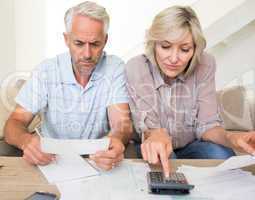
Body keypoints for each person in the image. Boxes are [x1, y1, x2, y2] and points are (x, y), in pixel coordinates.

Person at [125, 6, 255, 177]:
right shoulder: (137, 67)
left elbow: (207, 126)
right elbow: (150, 128)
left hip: (192, 145)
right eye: (165, 47)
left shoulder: (206, 64)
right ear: (154, 44)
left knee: (222, 155)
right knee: (163, 163)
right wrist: (155, 135)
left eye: (185, 49)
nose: (173, 59)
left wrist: (232, 138)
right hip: (154, 144)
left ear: (195, 49)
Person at [4, 1, 133, 170]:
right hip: (50, 160)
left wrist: (116, 140)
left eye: (95, 44)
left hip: (97, 160)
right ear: (66, 39)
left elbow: (121, 125)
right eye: (79, 43)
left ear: (105, 40)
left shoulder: (115, 68)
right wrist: (26, 141)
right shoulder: (47, 71)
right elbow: (14, 123)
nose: (87, 54)